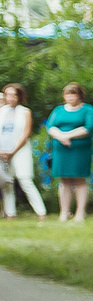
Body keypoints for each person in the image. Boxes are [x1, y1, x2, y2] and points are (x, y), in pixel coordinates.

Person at [45, 83, 93, 224]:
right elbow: (50, 126)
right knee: (64, 180)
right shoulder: (58, 110)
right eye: (67, 94)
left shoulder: (87, 109)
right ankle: (64, 212)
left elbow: (89, 127)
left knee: (80, 179)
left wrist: (69, 135)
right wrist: (61, 136)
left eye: (73, 94)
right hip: (61, 149)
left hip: (79, 149)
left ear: (80, 95)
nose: (70, 97)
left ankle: (80, 212)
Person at [0, 84, 44, 219]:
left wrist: (13, 151)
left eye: (14, 95)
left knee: (25, 180)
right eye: (8, 95)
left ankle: (41, 212)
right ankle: (10, 213)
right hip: (2, 152)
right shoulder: (2, 111)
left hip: (20, 150)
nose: (11, 98)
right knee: (7, 183)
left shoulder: (25, 112)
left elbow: (26, 133)